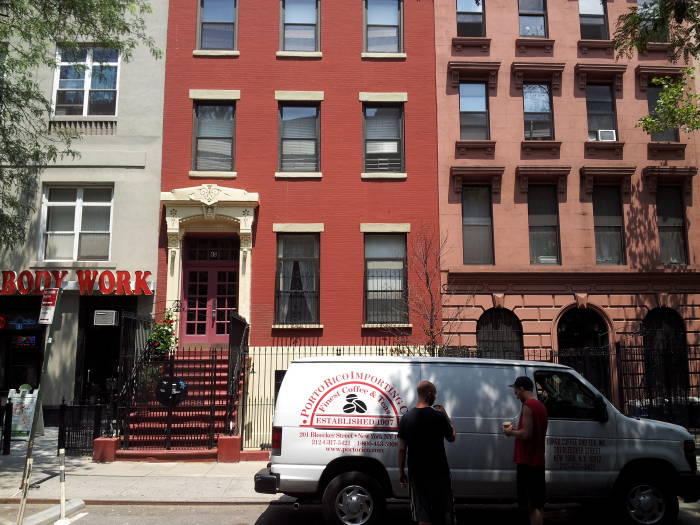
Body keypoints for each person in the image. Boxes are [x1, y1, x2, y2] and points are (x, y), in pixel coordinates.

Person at [398, 380, 456, 525]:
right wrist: (446, 415)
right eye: (435, 394)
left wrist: (401, 472)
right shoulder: (438, 416)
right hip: (439, 472)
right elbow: (452, 437)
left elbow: (401, 449)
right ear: (430, 394)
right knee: (441, 512)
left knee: (422, 515)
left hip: (416, 473)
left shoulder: (406, 418)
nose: (435, 397)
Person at [504, 376, 549, 525]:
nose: (515, 394)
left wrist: (511, 432)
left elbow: (526, 434)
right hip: (538, 461)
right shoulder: (541, 406)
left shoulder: (528, 406)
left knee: (530, 505)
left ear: (522, 389)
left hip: (528, 462)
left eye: (516, 390)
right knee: (538, 504)